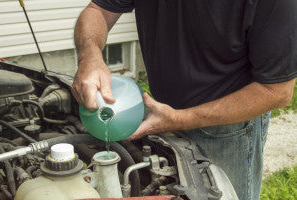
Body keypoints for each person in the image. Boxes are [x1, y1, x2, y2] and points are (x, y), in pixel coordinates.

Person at [71, 1, 297, 199]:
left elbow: (276, 91)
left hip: (226, 131)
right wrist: (89, 55)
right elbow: (98, 10)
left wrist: (179, 119)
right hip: (161, 113)